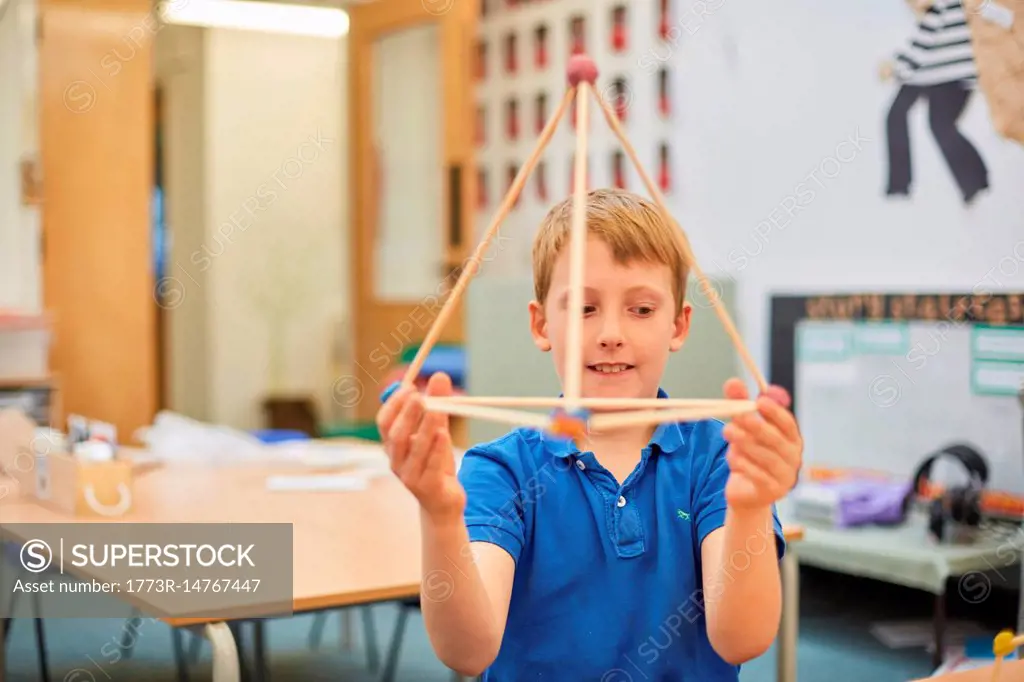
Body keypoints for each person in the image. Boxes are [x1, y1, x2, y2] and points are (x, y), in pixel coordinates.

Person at [377, 189, 803, 680]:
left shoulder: (719, 460)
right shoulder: (501, 470)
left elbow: (742, 640)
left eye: (641, 309)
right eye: (584, 308)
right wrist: (439, 514)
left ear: (679, 325)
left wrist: (749, 507)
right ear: (541, 325)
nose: (611, 333)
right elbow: (467, 652)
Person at [881, 0, 990, 205]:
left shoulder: (941, 7)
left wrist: (893, 68)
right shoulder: (936, 9)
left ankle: (975, 180)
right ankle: (974, 180)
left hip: (950, 78)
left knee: (939, 126)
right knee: (920, 121)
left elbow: (919, 49)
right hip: (931, 74)